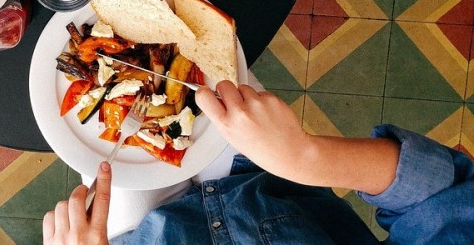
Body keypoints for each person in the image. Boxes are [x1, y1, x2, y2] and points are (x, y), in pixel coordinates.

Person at [43, 81, 474, 244]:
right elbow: (445, 194)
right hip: (271, 180)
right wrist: (306, 156)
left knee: (93, 133)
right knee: (210, 70)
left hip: (139, 233)